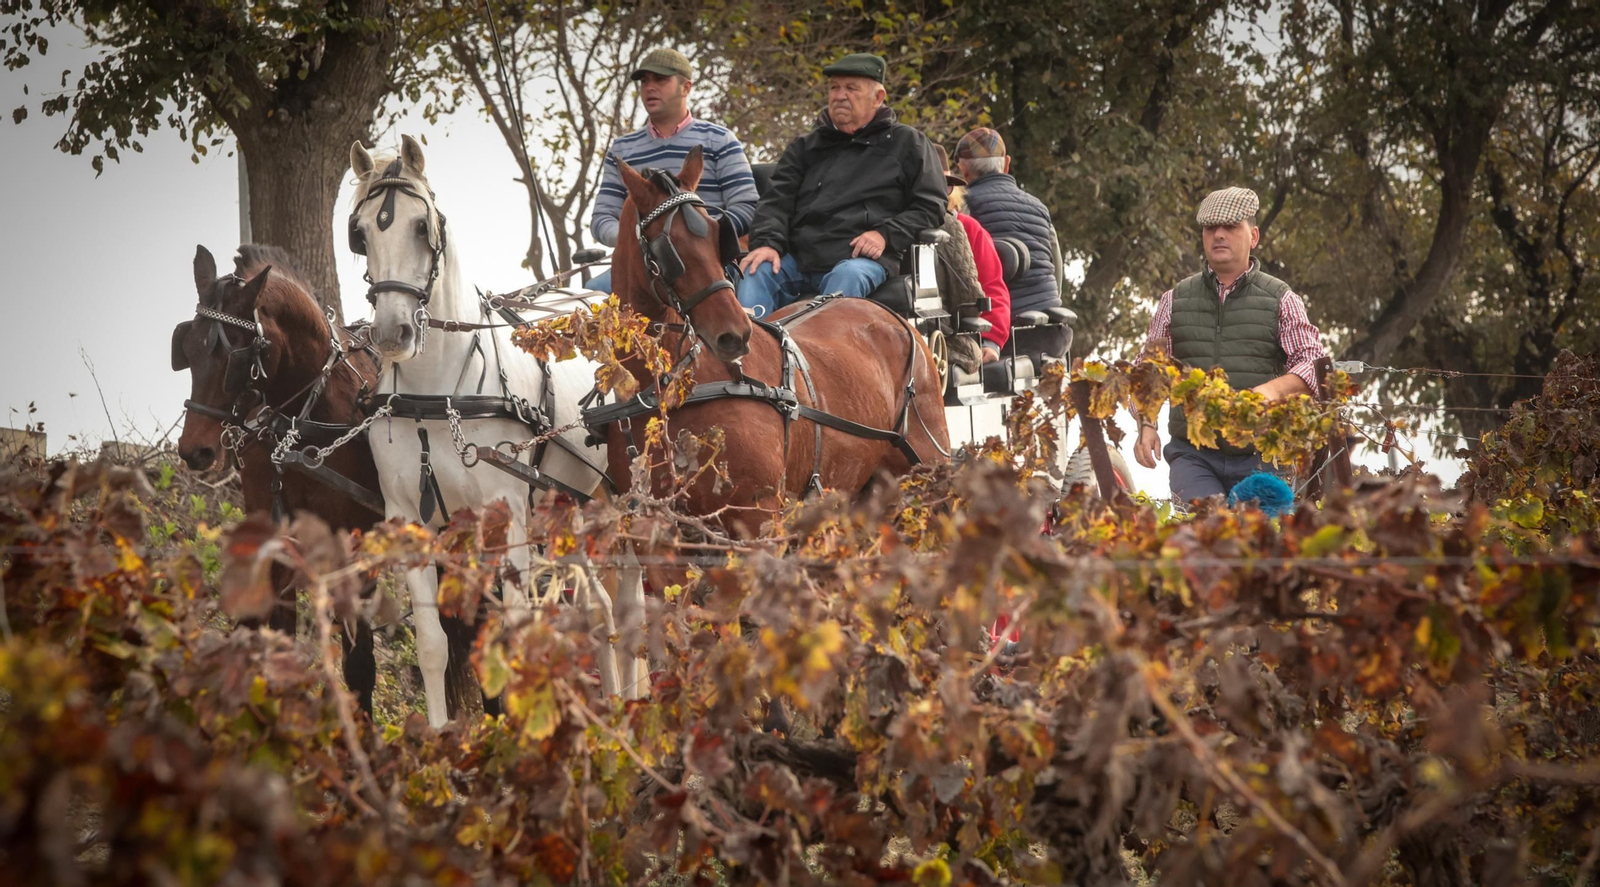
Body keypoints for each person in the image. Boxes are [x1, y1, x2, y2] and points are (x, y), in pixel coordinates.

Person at [1132, 186, 1329, 502]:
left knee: (1259, 531)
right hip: (1192, 454)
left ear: (1254, 236)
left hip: (1263, 455)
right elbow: (1148, 372)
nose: (1219, 235)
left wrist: (1271, 392)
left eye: (1231, 227)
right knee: (1204, 526)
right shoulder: (1174, 300)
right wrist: (1146, 423)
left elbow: (1313, 364)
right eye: (1211, 228)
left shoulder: (1281, 299)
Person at [737, 53, 946, 316]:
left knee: (847, 276)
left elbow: (931, 205)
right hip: (799, 258)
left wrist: (885, 234)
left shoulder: (907, 143)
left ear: (878, 97)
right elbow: (775, 202)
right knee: (756, 270)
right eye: (834, 87)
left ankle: (820, 344)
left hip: (859, 260)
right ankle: (750, 343)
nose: (839, 96)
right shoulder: (805, 147)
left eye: (851, 88)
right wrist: (768, 243)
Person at [587, 48, 758, 294]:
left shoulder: (719, 140)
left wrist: (703, 236)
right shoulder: (622, 149)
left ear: (686, 87)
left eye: (660, 79)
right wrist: (636, 240)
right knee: (593, 291)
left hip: (711, 263)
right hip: (645, 268)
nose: (650, 87)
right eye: (644, 81)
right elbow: (602, 217)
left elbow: (747, 206)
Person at [952, 127, 1062, 318]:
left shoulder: (965, 205)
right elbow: (1056, 263)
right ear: (1007, 164)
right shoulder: (1039, 207)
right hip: (1049, 316)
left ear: (963, 171)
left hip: (998, 321)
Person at [934, 143, 1010, 364]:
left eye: (946, 186)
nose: (939, 193)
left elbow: (993, 289)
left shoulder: (969, 228)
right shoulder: (885, 231)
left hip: (953, 337)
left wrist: (991, 341)